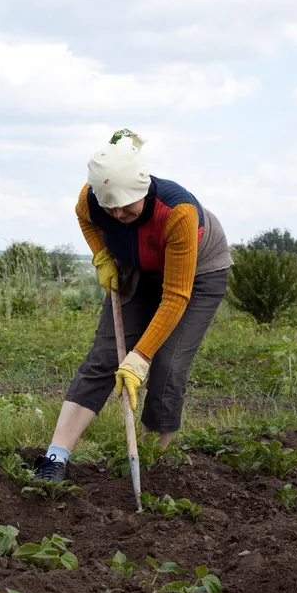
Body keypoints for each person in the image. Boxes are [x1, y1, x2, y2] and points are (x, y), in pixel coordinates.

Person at [33, 129, 233, 483]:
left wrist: (140, 359)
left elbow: (175, 296)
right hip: (138, 266)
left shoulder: (179, 212)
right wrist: (101, 256)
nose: (119, 212)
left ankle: (154, 461)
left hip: (198, 276)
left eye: (127, 204)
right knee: (104, 356)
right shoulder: (92, 199)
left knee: (168, 364)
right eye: (111, 206)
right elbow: (85, 218)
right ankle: (56, 457)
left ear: (142, 188)